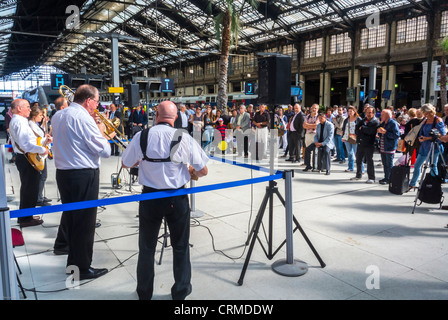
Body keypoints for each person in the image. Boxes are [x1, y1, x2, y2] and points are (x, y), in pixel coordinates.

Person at [121, 100, 208, 300]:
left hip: (150, 197)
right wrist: (190, 170)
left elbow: (126, 163)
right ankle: (181, 290)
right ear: (175, 117)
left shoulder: (141, 136)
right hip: (176, 198)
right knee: (180, 246)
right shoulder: (182, 137)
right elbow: (203, 170)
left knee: (146, 247)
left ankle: (144, 292)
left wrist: (142, 160)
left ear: (156, 115)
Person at [51, 84, 113, 280]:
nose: (97, 106)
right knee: (85, 223)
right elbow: (105, 151)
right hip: (83, 175)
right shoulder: (83, 118)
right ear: (88, 101)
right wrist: (101, 130)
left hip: (63, 174)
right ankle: (81, 268)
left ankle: (71, 260)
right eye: (96, 102)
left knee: (72, 218)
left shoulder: (59, 115)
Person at [9, 99, 50, 227]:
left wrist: (43, 141)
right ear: (19, 108)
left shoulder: (20, 121)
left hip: (26, 158)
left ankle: (26, 215)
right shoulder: (19, 122)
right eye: (27, 107)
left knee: (29, 188)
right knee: (29, 189)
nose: (29, 109)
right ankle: (26, 218)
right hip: (26, 158)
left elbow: (30, 140)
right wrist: (43, 149)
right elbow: (26, 145)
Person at [409, 104, 446, 190]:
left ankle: (435, 184)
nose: (424, 115)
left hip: (434, 146)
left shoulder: (437, 120)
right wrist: (421, 138)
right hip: (424, 146)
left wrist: (427, 138)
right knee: (417, 165)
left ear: (430, 111)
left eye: (425, 113)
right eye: (424, 113)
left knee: (433, 166)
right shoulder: (425, 120)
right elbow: (422, 132)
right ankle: (413, 183)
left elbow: (442, 135)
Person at [28, 105, 52, 206]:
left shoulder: (34, 124)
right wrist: (45, 139)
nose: (42, 117)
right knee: (42, 176)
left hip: (41, 152)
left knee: (43, 176)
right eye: (40, 115)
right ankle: (38, 198)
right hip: (38, 153)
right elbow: (36, 139)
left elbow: (40, 135)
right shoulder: (31, 125)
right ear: (34, 116)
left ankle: (39, 195)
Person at [350, 105, 380, 184]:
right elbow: (356, 129)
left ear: (373, 113)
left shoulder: (375, 121)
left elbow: (371, 131)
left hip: (369, 144)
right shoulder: (363, 120)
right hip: (361, 142)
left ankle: (371, 177)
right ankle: (358, 175)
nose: (368, 114)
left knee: (369, 161)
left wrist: (362, 128)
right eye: (367, 112)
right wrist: (362, 130)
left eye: (370, 113)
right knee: (358, 160)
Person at [377, 109, 400, 185]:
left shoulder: (393, 123)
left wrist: (386, 132)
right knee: (385, 163)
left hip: (389, 147)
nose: (381, 116)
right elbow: (380, 133)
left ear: (388, 116)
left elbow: (396, 135)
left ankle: (390, 178)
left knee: (389, 164)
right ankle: (386, 177)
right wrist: (379, 132)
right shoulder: (383, 123)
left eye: (383, 114)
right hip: (383, 146)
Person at [341, 106, 362, 173]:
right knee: (349, 153)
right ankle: (350, 167)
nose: (350, 113)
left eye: (351, 111)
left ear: (354, 111)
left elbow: (362, 128)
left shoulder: (358, 119)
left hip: (355, 138)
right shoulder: (346, 120)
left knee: (357, 154)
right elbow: (343, 129)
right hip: (347, 138)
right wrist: (343, 137)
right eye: (348, 111)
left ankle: (362, 169)